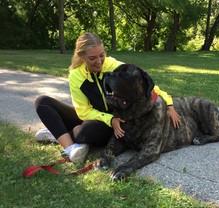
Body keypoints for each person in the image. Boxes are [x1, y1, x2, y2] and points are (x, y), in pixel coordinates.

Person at [35, 32, 180, 163]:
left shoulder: (113, 66)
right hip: (99, 117)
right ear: (81, 57)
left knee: (85, 132)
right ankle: (70, 147)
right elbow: (83, 112)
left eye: (102, 55)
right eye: (92, 58)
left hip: (112, 123)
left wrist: (169, 104)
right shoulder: (76, 75)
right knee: (42, 102)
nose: (99, 61)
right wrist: (109, 119)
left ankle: (60, 133)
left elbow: (145, 85)